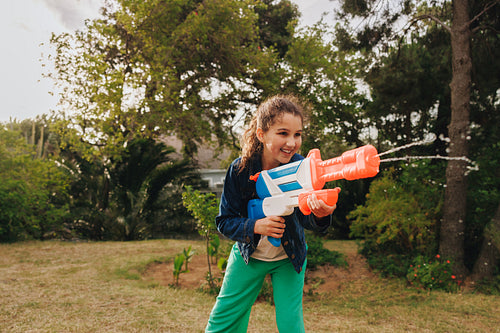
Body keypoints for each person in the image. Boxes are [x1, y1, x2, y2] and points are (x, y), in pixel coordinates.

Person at [205, 95, 336, 333]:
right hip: (249, 256)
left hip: (289, 257)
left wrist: (320, 213)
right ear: (261, 134)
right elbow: (224, 222)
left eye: (297, 134)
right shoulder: (240, 170)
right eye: (283, 133)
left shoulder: (302, 169)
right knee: (223, 322)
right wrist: (255, 226)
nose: (292, 142)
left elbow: (309, 220)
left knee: (290, 326)